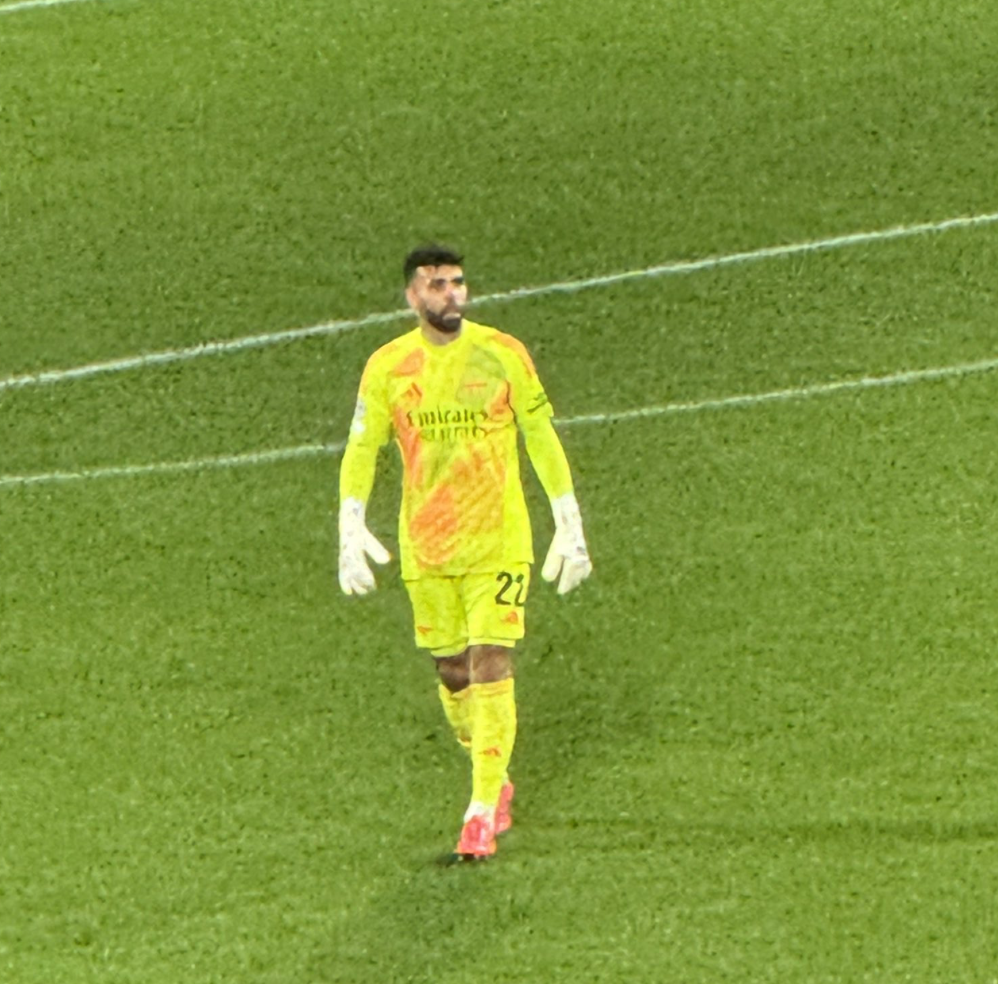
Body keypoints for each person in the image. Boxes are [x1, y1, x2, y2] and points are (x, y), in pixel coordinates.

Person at [337, 244, 592, 861]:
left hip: (498, 542)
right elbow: (363, 447)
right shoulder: (388, 368)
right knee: (452, 672)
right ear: (412, 297)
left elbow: (540, 434)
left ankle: (479, 814)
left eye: (456, 283)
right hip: (427, 546)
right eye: (436, 286)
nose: (450, 294)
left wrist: (568, 520)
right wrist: (349, 523)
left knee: (490, 663)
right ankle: (493, 771)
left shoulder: (502, 354)